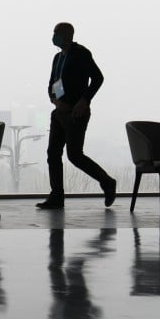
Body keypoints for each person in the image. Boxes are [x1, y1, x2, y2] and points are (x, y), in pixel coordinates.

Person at [37, 22, 116, 210]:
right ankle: (56, 196)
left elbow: (98, 78)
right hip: (59, 112)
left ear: (68, 35)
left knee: (75, 155)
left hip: (75, 113)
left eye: (57, 33)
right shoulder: (57, 58)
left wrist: (84, 101)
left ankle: (107, 182)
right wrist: (55, 100)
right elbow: (52, 83)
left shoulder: (81, 53)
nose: (53, 36)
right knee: (53, 154)